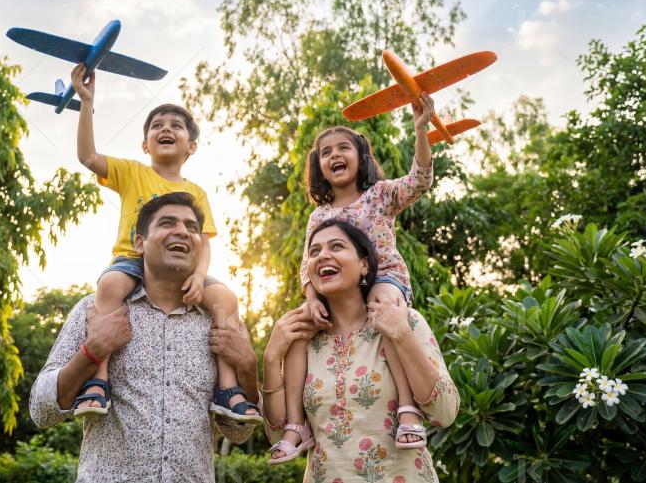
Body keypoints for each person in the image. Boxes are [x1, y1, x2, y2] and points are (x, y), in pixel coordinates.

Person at [68, 63, 260, 422]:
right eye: (157, 126)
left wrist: (201, 277)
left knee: (226, 299)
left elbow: (204, 242)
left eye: (176, 126)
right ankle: (97, 381)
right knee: (110, 284)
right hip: (131, 260)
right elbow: (87, 157)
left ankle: (228, 387)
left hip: (184, 270)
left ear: (192, 146)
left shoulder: (196, 193)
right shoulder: (132, 173)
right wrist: (86, 102)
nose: (166, 129)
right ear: (145, 144)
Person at [30, 192, 259, 482]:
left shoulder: (223, 320)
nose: (182, 232)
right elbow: (41, 411)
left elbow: (239, 432)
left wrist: (249, 368)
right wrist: (92, 352)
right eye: (167, 223)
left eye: (192, 227)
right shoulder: (96, 310)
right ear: (139, 243)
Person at [270, 94, 437, 463]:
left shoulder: (379, 196)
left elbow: (419, 181)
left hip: (383, 279)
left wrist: (421, 130)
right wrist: (311, 296)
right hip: (337, 292)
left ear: (360, 158)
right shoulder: (320, 215)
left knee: (382, 309)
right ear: (320, 167)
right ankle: (296, 425)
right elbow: (306, 264)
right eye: (325, 152)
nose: (334, 155)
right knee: (299, 326)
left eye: (343, 147)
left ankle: (408, 409)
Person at [262, 219, 459, 481]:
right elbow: (279, 435)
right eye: (314, 251)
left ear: (364, 265)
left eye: (337, 246)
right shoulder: (303, 339)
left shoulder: (404, 319)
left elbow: (445, 412)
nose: (323, 256)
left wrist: (401, 334)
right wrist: (271, 358)